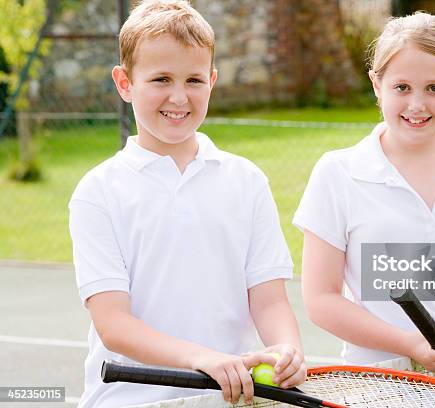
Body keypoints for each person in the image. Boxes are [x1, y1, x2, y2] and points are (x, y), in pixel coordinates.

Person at [69, 1, 305, 406]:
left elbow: (269, 300)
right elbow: (114, 325)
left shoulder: (246, 180)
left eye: (194, 80)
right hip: (131, 400)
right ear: (125, 83)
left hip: (230, 398)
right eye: (161, 79)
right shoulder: (98, 192)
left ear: (212, 80)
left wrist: (287, 350)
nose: (179, 97)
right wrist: (203, 358)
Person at [294, 12, 435, 380]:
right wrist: (410, 344)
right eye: (402, 88)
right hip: (380, 384)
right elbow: (321, 300)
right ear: (376, 84)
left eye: (434, 88)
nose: (417, 104)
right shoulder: (337, 172)